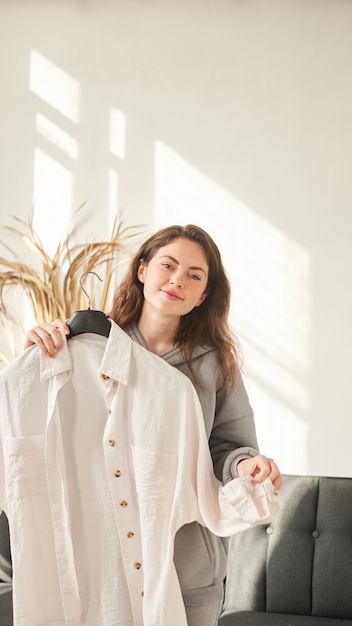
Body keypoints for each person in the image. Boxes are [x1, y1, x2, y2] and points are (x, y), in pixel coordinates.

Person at [25, 224, 282, 626]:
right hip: (104, 562)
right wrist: (41, 355)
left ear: (204, 295)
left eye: (194, 275)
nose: (178, 280)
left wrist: (244, 465)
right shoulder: (84, 350)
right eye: (168, 265)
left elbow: (227, 445)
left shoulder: (216, 364)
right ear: (142, 269)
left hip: (187, 568)